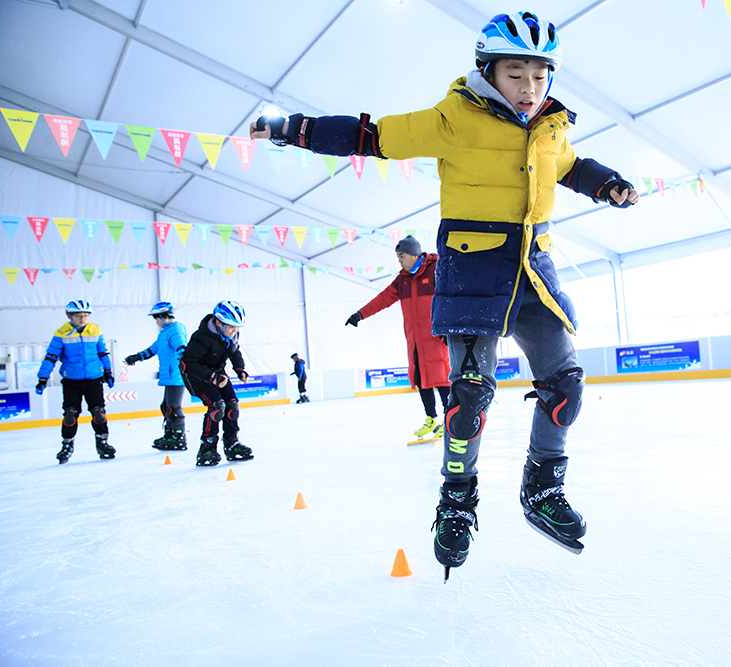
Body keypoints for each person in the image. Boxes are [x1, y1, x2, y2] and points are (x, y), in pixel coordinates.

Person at [251, 11, 639, 578]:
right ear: (487, 70)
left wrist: (606, 183)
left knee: (566, 389)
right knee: (467, 402)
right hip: (473, 271)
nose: (529, 88)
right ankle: (457, 500)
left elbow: (569, 166)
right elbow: (372, 136)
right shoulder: (453, 117)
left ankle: (542, 489)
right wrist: (292, 128)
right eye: (515, 74)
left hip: (534, 272)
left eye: (539, 75)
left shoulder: (554, 127)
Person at [345, 235, 451, 441]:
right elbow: (383, 299)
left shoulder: (436, 269)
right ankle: (432, 419)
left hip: (437, 338)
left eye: (401, 256)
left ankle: (450, 421)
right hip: (415, 342)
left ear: (413, 254)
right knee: (422, 380)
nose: (399, 261)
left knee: (442, 380)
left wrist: (450, 329)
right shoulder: (403, 279)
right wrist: (360, 314)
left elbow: (451, 297)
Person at [36, 300, 115, 464]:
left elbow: (102, 353)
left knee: (98, 413)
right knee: (70, 414)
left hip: (94, 379)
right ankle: (66, 446)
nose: (82, 319)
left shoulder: (95, 330)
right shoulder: (61, 333)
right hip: (72, 381)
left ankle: (103, 443)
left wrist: (108, 372)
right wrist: (43, 378)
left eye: (85, 315)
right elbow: (51, 357)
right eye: (78, 316)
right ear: (69, 316)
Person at [179, 301, 254, 466]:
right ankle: (207, 448)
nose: (235, 331)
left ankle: (232, 443)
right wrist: (212, 377)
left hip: (218, 372)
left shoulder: (231, 335)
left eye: (237, 328)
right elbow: (187, 364)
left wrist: (240, 369)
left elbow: (235, 351)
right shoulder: (201, 338)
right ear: (218, 323)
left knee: (232, 404)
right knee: (217, 405)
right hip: (196, 376)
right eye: (232, 327)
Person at [123, 302, 189, 450]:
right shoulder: (165, 333)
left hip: (176, 375)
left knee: (173, 407)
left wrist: (185, 362)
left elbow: (181, 347)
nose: (157, 322)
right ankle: (170, 434)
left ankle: (178, 438)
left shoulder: (175, 330)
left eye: (157, 319)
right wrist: (136, 357)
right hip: (170, 375)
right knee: (166, 406)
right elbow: (153, 349)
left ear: (164, 317)